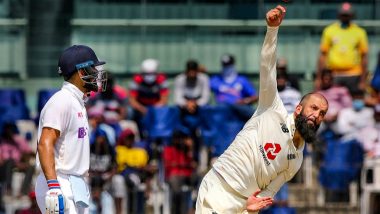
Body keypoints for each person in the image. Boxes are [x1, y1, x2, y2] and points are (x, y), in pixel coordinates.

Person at [196, 5, 329, 214]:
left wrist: (251, 209)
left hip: (244, 206)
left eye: (322, 113)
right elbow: (267, 67)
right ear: (298, 108)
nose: (317, 115)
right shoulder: (272, 108)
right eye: (313, 108)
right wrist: (272, 30)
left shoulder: (297, 159)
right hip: (220, 189)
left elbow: (269, 192)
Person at [35, 45, 107, 214]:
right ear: (81, 72)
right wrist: (54, 187)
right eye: (94, 69)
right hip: (60, 181)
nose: (98, 74)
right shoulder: (62, 101)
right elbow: (45, 143)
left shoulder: (77, 102)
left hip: (76, 183)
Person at [315, 2, 368, 94]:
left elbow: (364, 57)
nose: (345, 17)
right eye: (343, 15)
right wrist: (319, 78)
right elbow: (323, 55)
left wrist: (363, 80)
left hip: (354, 74)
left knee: (353, 103)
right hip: (334, 74)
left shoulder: (359, 32)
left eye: (347, 15)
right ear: (339, 15)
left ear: (352, 15)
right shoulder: (329, 30)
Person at [210, 54, 258, 121]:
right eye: (225, 65)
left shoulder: (242, 80)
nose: (227, 67)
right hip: (222, 110)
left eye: (229, 65)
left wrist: (244, 101)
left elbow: (255, 97)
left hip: (239, 110)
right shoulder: (215, 79)